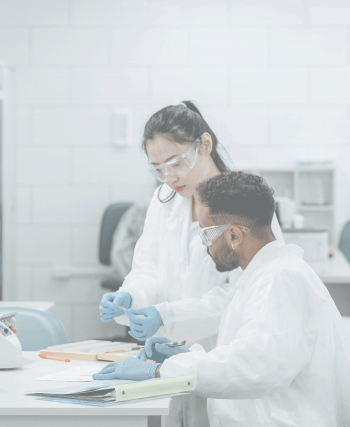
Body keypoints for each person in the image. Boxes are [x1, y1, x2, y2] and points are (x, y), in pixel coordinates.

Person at [94, 172, 350, 427]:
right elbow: (247, 352)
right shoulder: (263, 275)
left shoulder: (280, 280)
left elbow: (252, 368)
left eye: (206, 235)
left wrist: (157, 373)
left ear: (234, 236)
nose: (205, 246)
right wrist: (183, 356)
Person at [98, 102, 284, 426]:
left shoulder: (242, 204)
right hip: (170, 356)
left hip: (220, 357)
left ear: (205, 145)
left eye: (176, 163)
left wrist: (167, 313)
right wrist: (131, 296)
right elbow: (148, 267)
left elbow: (243, 294)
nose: (169, 178)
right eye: (158, 168)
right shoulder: (163, 201)